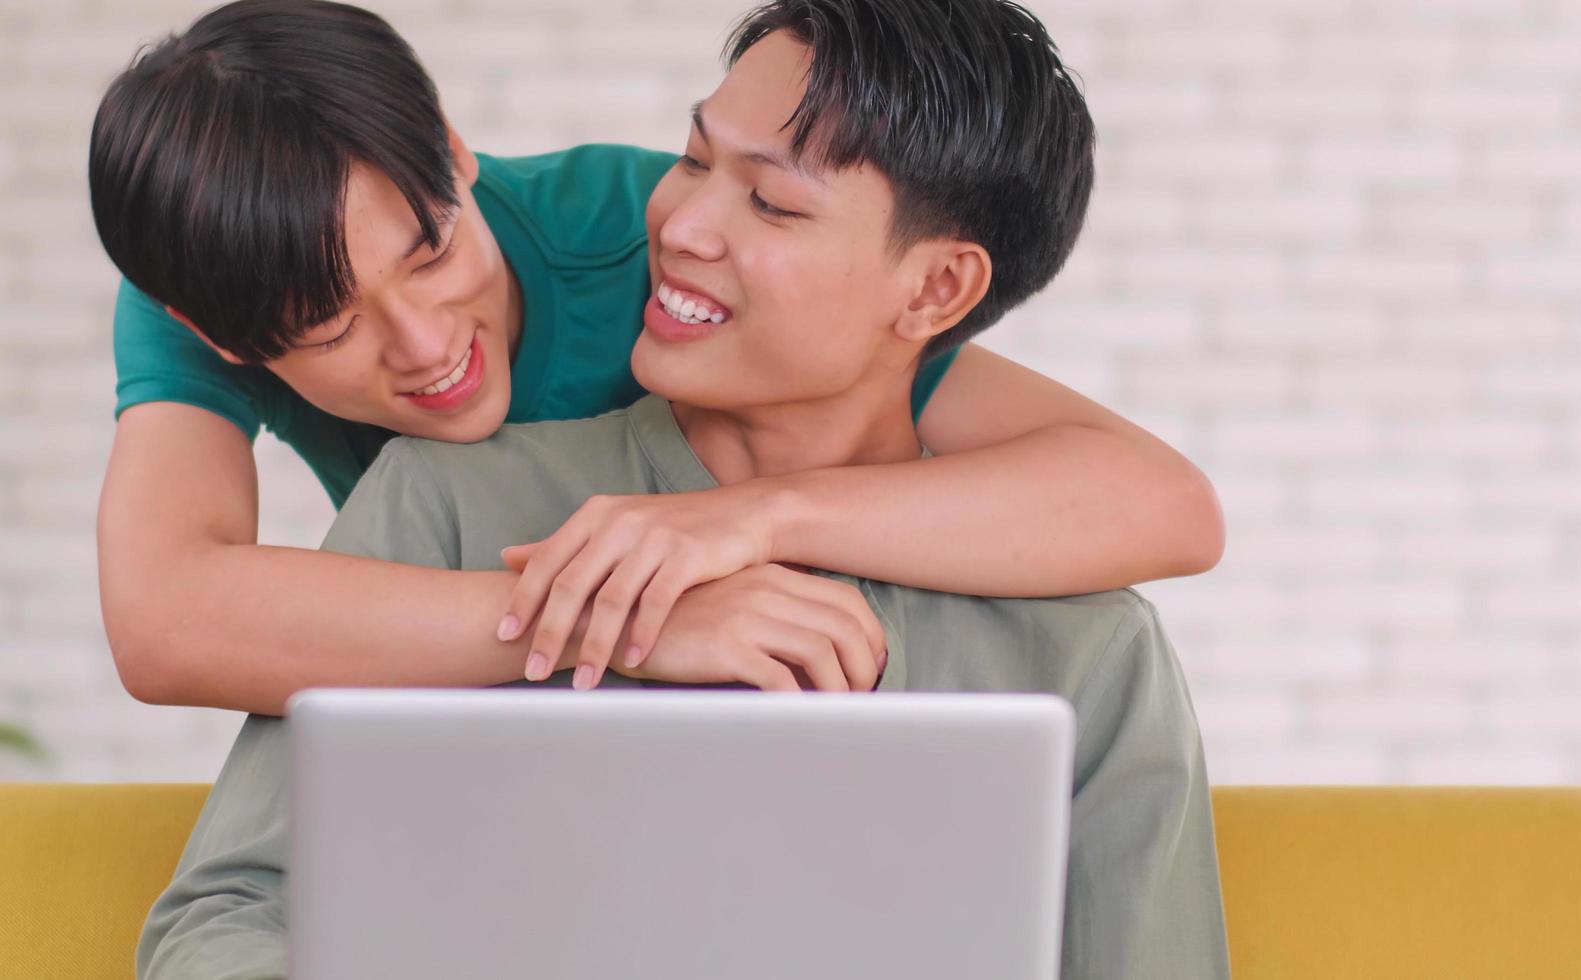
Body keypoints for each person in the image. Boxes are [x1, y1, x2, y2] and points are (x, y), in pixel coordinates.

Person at [139, 4, 1230, 977]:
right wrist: (580, 620)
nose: (682, 225)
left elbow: (1172, 505)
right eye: (694, 158)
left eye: (771, 202)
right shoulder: (445, 504)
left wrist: (741, 522)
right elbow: (220, 919)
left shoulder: (1089, 651)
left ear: (936, 286)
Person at [89, 0, 1224, 714]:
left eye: (432, 255)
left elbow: (1157, 502)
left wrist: (754, 519)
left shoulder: (664, 236)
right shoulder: (206, 281)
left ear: (451, 151)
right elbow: (168, 621)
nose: (426, 344)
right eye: (329, 328)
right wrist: (632, 624)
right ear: (219, 334)